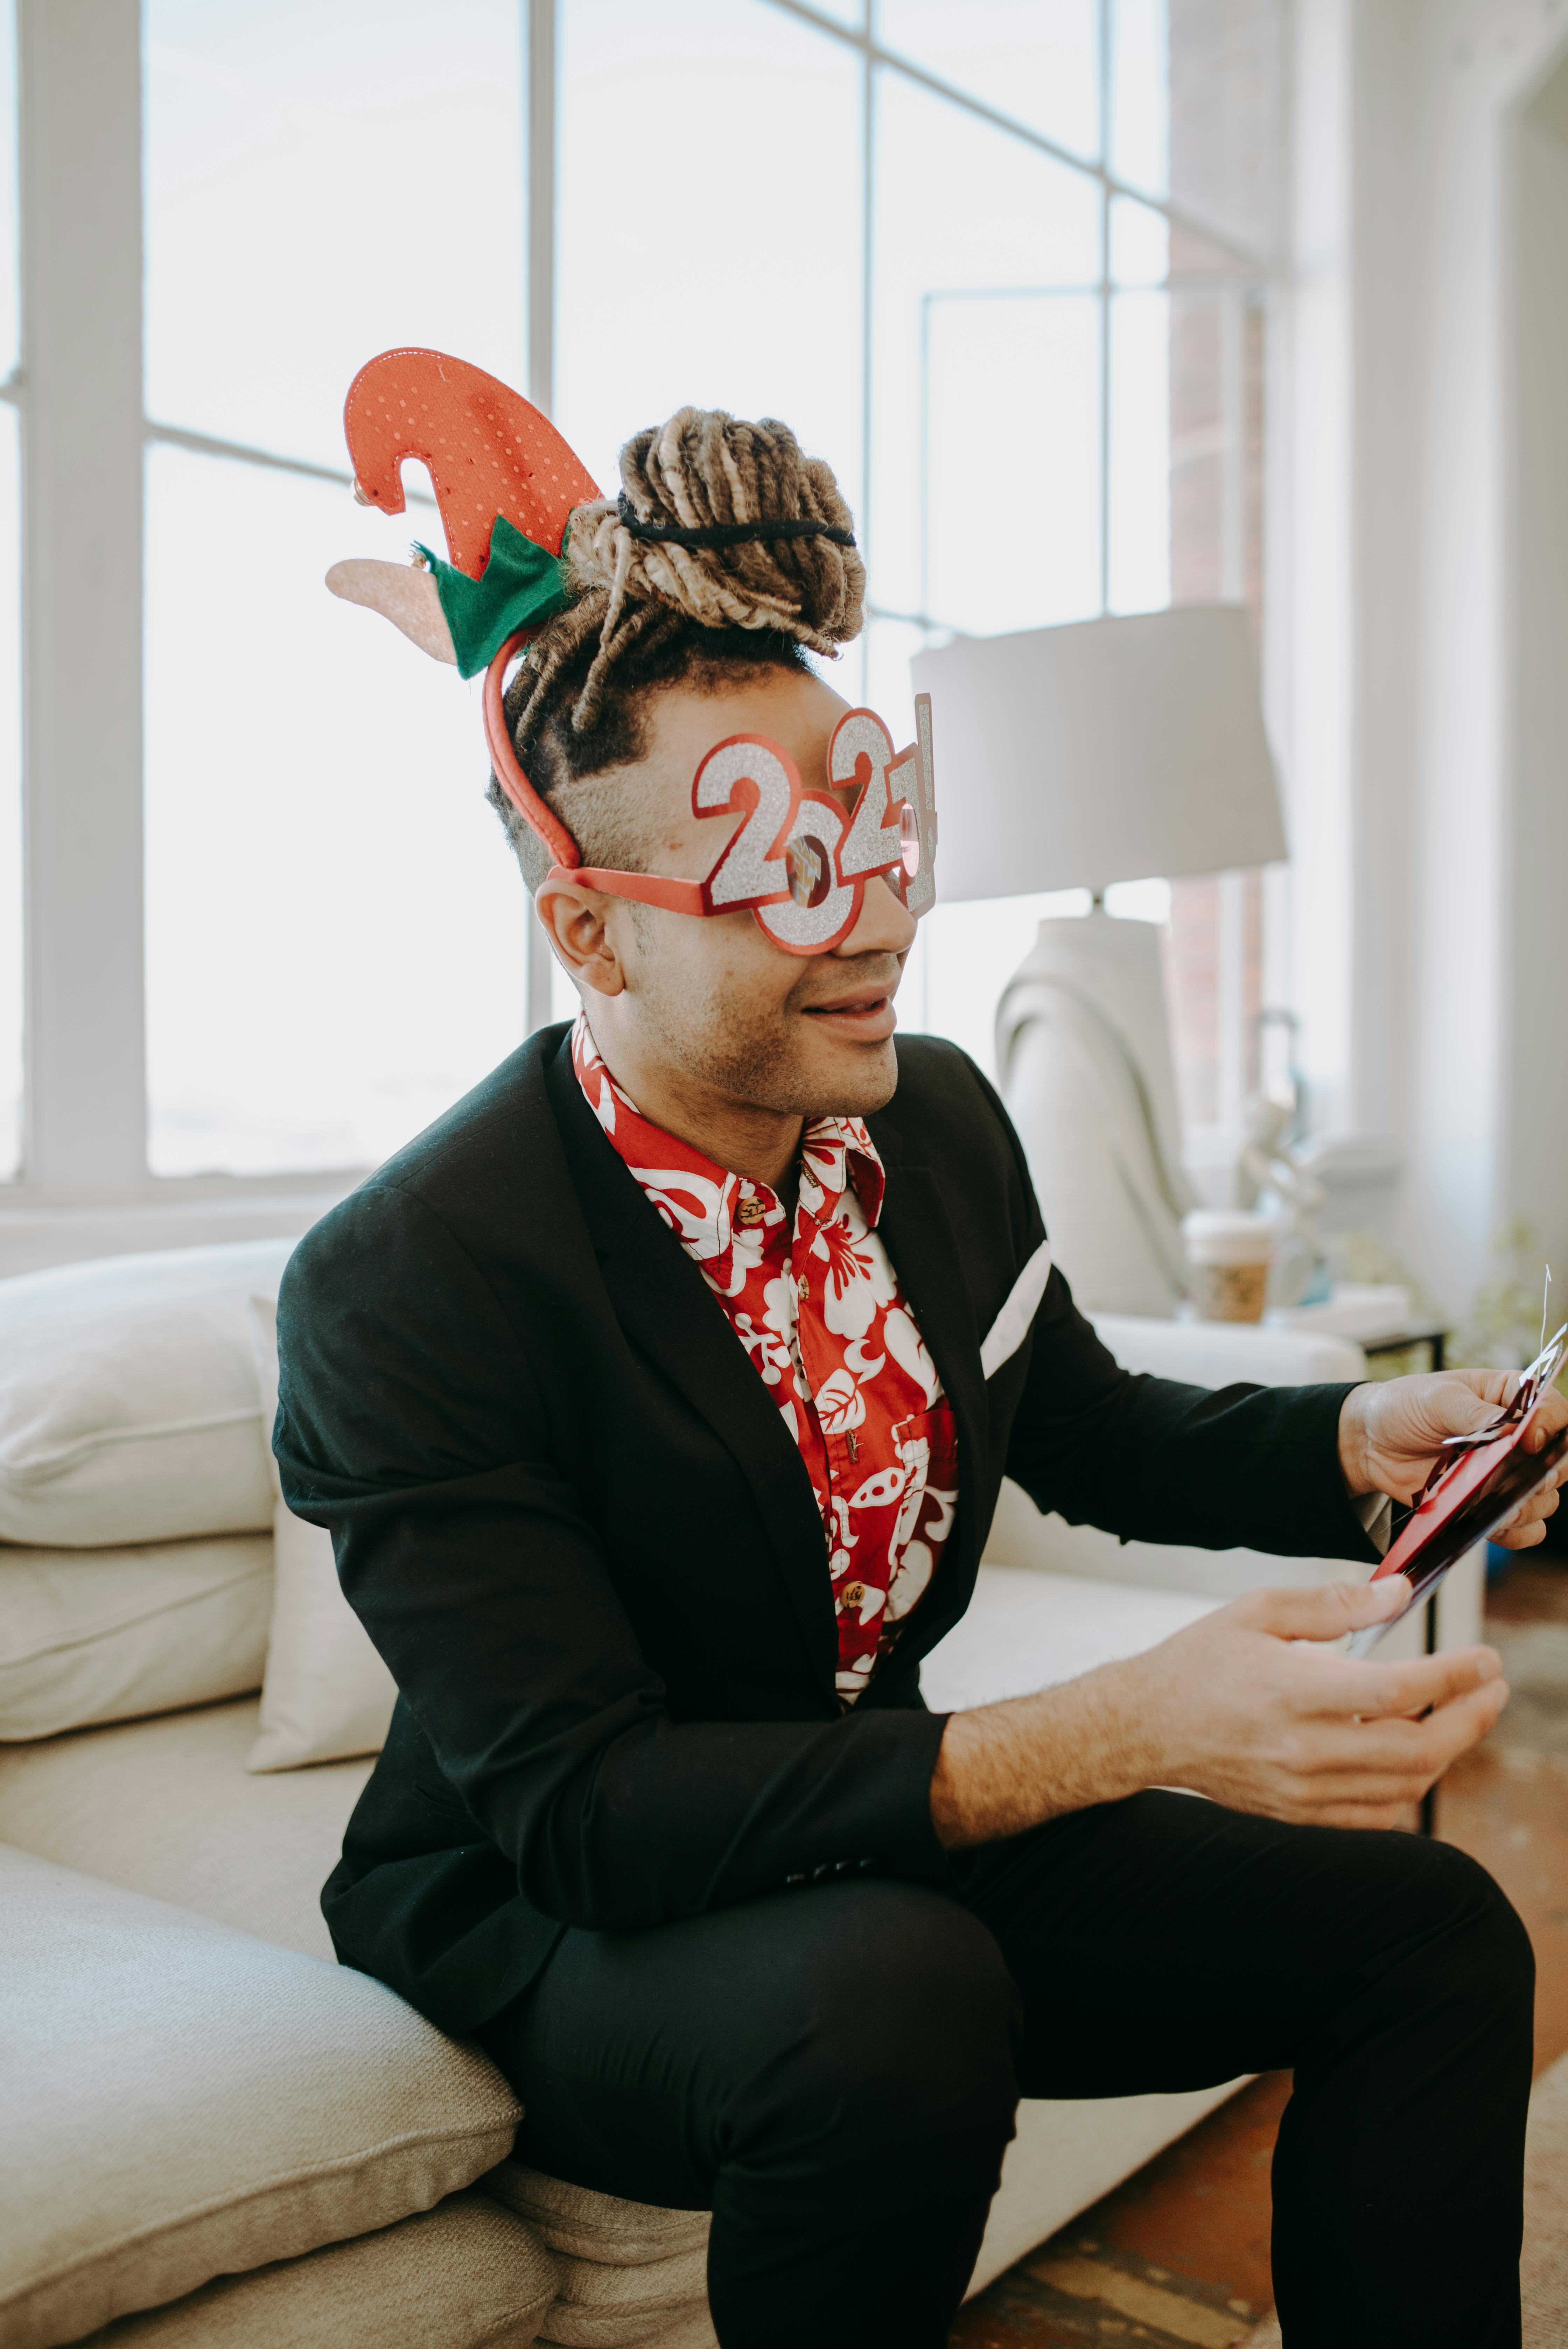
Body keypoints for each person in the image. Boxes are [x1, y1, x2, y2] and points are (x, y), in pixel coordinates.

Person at [276, 403, 1563, 2349]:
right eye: (782, 871)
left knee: (1432, 1935)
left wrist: (1360, 1447)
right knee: (893, 1992)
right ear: (586, 932)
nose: (875, 911)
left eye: (879, 830)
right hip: (562, 1914)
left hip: (858, 1816)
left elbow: (1093, 1428)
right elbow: (594, 1814)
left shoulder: (932, 1120)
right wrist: (1131, 1726)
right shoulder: (408, 1282)